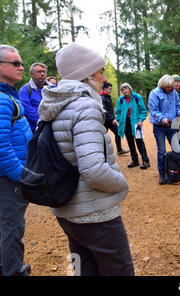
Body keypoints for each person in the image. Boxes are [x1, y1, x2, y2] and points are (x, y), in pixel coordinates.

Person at [39, 43, 134, 276]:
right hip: (95, 212)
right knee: (119, 271)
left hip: (67, 209)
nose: (104, 78)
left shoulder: (55, 104)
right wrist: (122, 183)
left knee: (85, 270)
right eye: (100, 72)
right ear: (86, 75)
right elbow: (93, 170)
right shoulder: (85, 107)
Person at [0, 45, 33, 276]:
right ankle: (13, 271)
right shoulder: (3, 100)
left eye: (21, 63)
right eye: (16, 63)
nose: (21, 67)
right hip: (9, 178)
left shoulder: (8, 95)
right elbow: (1, 147)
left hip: (9, 175)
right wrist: (21, 176)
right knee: (12, 227)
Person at [148, 74, 180, 185]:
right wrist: (163, 119)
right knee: (162, 151)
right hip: (159, 127)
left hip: (172, 126)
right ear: (162, 85)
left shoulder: (174, 93)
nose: (169, 89)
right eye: (167, 87)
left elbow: (177, 106)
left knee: (177, 149)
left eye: (170, 87)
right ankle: (162, 174)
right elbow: (153, 110)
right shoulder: (154, 93)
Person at [115, 83, 150, 169]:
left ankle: (145, 161)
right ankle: (135, 160)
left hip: (136, 122)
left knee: (139, 142)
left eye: (126, 88)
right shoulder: (121, 99)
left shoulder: (137, 97)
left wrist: (140, 120)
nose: (125, 91)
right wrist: (119, 120)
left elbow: (143, 110)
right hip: (126, 123)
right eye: (123, 89)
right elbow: (118, 112)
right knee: (130, 142)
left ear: (130, 89)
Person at [19, 62, 53, 133]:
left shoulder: (54, 88)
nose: (42, 74)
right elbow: (28, 111)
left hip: (54, 129)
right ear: (31, 74)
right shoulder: (25, 90)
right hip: (35, 130)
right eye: (39, 72)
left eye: (44, 72)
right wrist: (45, 123)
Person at [101, 82, 129, 156]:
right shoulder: (102, 98)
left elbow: (110, 110)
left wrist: (114, 118)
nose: (111, 90)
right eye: (110, 89)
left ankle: (119, 150)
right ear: (105, 89)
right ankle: (102, 153)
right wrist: (111, 119)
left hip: (111, 120)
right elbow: (104, 111)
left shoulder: (107, 97)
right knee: (103, 137)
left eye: (111, 88)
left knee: (118, 133)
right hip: (105, 121)